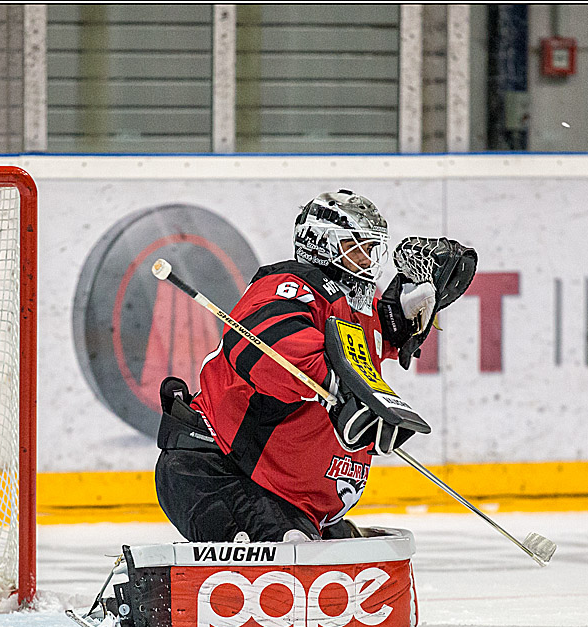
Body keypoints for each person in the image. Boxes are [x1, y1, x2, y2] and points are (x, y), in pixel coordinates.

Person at [154, 189, 436, 544]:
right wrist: (341, 388)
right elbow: (270, 347)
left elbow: (373, 336)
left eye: (370, 249)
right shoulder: (288, 287)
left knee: (344, 554)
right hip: (220, 472)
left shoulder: (352, 305)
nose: (367, 259)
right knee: (295, 555)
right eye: (356, 247)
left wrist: (403, 319)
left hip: (280, 492)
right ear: (322, 245)